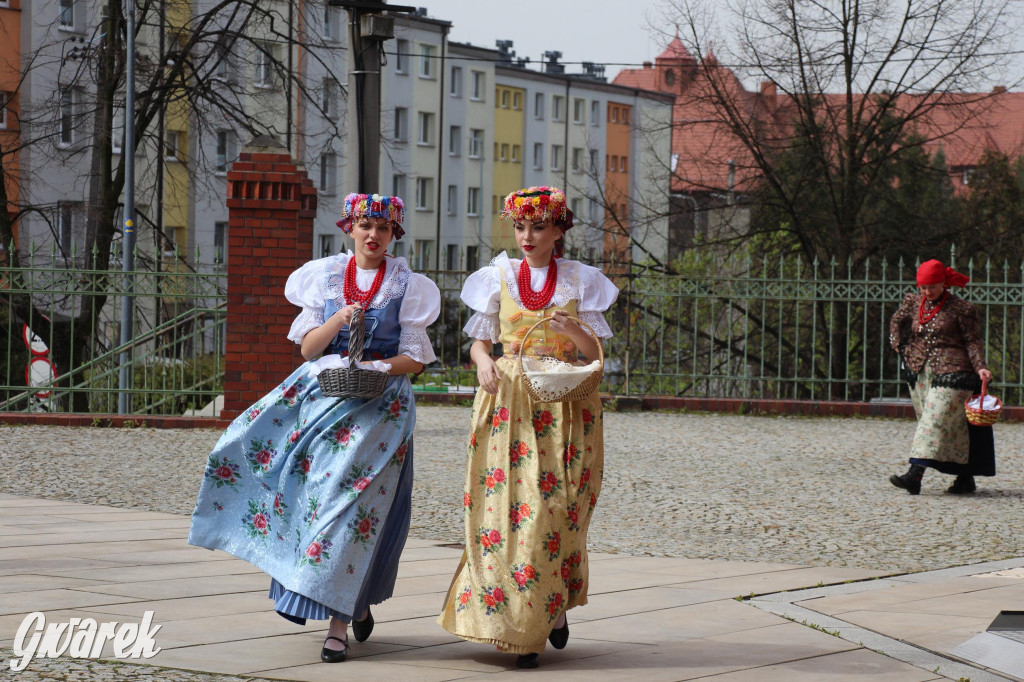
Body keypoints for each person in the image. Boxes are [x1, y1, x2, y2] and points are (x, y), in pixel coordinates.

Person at [189, 193, 440, 663]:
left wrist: (381, 368)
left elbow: (417, 360)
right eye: (365, 225)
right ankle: (352, 597)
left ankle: (339, 625)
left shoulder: (409, 285)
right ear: (349, 228)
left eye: (382, 229)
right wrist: (341, 318)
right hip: (324, 402)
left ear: (393, 235)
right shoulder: (324, 277)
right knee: (318, 504)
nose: (373, 235)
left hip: (380, 414)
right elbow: (308, 350)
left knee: (353, 510)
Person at [437, 186, 618, 668]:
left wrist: (571, 330)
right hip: (509, 404)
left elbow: (595, 354)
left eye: (538, 227)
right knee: (508, 510)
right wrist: (481, 362)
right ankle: (519, 624)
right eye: (520, 226)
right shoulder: (497, 276)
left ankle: (550, 602)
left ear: (559, 230)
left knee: (556, 509)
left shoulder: (580, 280)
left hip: (564, 404)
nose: (527, 236)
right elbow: (479, 343)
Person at [888, 258, 994, 495]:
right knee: (951, 427)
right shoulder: (914, 302)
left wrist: (981, 367)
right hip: (920, 371)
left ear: (943, 283)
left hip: (955, 372)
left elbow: (972, 340)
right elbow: (896, 321)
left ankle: (914, 476)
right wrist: (899, 346)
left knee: (932, 423)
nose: (927, 292)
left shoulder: (961, 308)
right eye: (923, 287)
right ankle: (965, 478)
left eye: (932, 287)